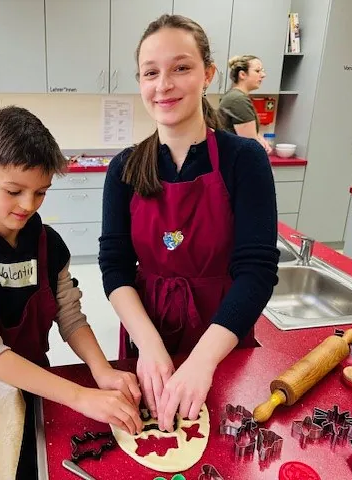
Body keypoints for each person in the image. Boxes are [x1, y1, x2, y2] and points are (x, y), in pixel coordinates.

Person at [0, 107, 143, 476]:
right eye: (14, 191)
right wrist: (80, 396)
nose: (28, 205)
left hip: (34, 381)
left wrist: (101, 370)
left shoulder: (48, 244)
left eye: (40, 192)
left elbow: (70, 316)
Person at [99, 15, 279, 433]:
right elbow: (116, 267)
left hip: (223, 333)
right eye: (150, 72)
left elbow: (257, 271)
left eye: (181, 67)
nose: (163, 85)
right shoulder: (124, 168)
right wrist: (149, 347)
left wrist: (202, 360)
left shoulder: (243, 160)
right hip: (148, 332)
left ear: (208, 74)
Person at [219, 55, 272, 153]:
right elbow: (250, 146)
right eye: (257, 71)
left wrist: (259, 137)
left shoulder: (235, 96)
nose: (263, 75)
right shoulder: (238, 100)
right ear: (242, 74)